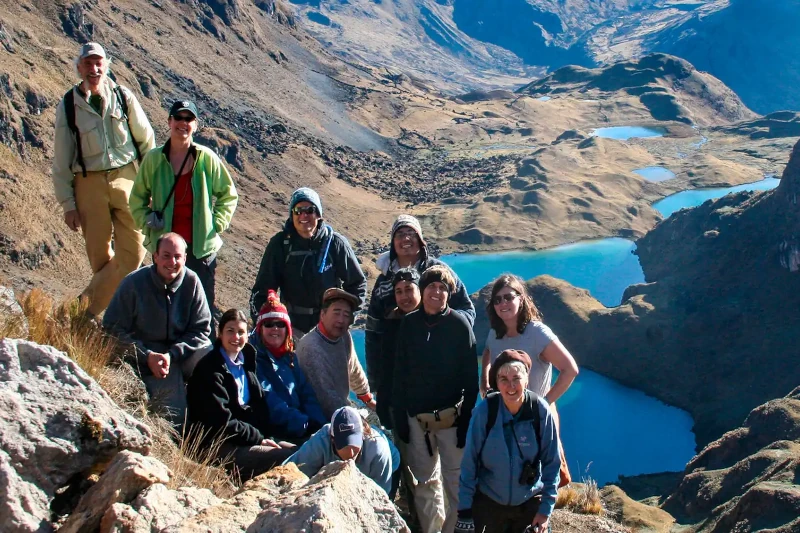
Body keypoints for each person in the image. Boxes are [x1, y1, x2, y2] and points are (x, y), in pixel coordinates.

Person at [52, 42, 155, 316]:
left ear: (106, 66)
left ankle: (78, 313)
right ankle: (99, 319)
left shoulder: (123, 97)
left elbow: (147, 142)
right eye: (88, 64)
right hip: (88, 185)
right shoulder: (69, 105)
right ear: (79, 68)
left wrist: (151, 186)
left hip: (127, 180)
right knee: (99, 259)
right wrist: (68, 204)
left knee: (133, 254)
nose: (94, 69)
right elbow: (61, 159)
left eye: (98, 63)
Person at [392, 265, 479, 533]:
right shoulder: (409, 324)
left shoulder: (459, 325)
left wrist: (466, 421)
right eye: (431, 286)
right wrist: (400, 417)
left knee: (457, 482)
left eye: (443, 288)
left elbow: (470, 379)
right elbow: (400, 373)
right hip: (416, 420)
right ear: (423, 290)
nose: (437, 292)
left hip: (452, 419)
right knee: (424, 483)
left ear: (449, 294)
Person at [129, 100, 238, 313]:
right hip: (166, 251)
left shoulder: (206, 159)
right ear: (169, 121)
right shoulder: (154, 160)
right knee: (162, 309)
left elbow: (228, 195)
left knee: (201, 309)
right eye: (178, 117)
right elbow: (136, 199)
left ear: (195, 125)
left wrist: (216, 224)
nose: (183, 123)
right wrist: (147, 222)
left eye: (189, 119)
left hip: (200, 250)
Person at [103, 233, 211, 429]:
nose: (172, 262)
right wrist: (146, 356)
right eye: (166, 256)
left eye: (177, 257)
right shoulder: (134, 283)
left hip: (179, 355)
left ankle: (211, 413)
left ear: (185, 258)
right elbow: (111, 328)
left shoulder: (192, 281)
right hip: (147, 360)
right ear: (155, 257)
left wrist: (173, 354)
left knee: (210, 354)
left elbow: (202, 329)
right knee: (175, 419)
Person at [482, 274, 579, 485]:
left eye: (508, 297)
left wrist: (543, 403)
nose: (503, 303)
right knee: (514, 478)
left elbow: (570, 369)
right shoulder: (495, 334)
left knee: (542, 479)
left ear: (521, 298)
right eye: (497, 300)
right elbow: (487, 353)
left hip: (538, 422)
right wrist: (485, 386)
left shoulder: (537, 333)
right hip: (508, 418)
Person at [365, 214, 475, 390]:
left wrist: (449, 327)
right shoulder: (383, 281)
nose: (406, 238)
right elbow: (373, 332)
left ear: (420, 240)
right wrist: (375, 382)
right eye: (400, 234)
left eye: (411, 233)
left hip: (440, 368)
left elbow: (466, 308)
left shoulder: (439, 272)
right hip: (396, 372)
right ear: (393, 242)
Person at [456, 350, 561, 533]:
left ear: (526, 380)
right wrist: (465, 511)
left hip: (529, 500)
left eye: (516, 378)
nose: (510, 385)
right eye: (503, 379)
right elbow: (469, 463)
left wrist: (545, 511)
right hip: (489, 501)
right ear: (496, 383)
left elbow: (552, 463)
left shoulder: (540, 411)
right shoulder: (485, 412)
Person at [186, 309, 295, 481]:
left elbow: (259, 406)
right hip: (219, 445)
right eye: (230, 331)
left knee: (299, 451)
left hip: (247, 437)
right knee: (286, 459)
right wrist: (259, 439)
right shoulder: (210, 369)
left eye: (241, 332)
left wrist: (265, 436)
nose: (236, 337)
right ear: (220, 333)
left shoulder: (246, 363)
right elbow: (221, 422)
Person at [249, 187, 367, 335]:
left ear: (318, 214)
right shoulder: (280, 244)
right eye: (298, 210)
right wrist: (265, 325)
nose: (303, 215)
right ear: (292, 215)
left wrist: (345, 318)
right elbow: (262, 290)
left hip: (329, 329)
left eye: (310, 210)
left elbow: (358, 283)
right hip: (291, 328)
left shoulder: (335, 243)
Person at [250, 289, 327, 443]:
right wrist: (305, 424)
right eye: (269, 324)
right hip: (274, 433)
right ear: (260, 328)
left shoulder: (290, 357)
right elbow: (269, 400)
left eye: (280, 324)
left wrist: (319, 425)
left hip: (301, 427)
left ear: (287, 330)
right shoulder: (253, 358)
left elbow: (307, 394)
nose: (275, 329)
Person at [295, 288, 375, 418]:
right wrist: (356, 420)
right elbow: (327, 399)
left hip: (339, 409)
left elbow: (354, 369)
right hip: (318, 417)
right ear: (323, 314)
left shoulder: (344, 336)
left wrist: (367, 398)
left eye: (346, 315)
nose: (341, 320)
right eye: (336, 313)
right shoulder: (311, 349)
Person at [284, 406, 395, 494]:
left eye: (354, 444)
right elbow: (292, 471)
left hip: (389, 467)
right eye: (344, 445)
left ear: (362, 436)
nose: (351, 453)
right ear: (332, 439)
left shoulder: (378, 450)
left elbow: (381, 493)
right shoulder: (321, 441)